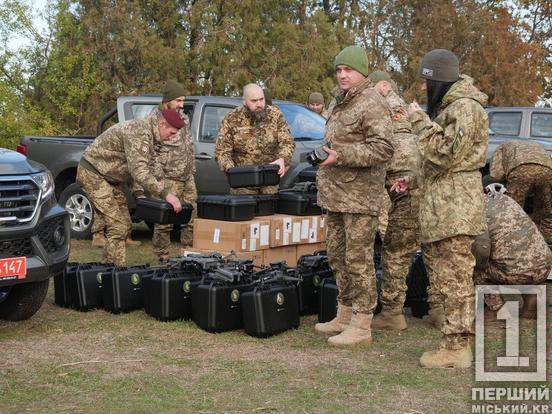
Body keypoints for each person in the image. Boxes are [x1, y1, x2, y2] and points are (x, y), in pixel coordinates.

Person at [407, 49, 489, 368]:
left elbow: (443, 154)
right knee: (445, 278)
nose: (426, 90)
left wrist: (418, 121)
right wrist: (411, 181)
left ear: (438, 80)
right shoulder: (452, 107)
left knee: (455, 279)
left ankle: (456, 348)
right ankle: (452, 342)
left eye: (428, 83)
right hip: (444, 208)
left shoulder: (465, 108)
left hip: (455, 209)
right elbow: (435, 163)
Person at [313, 45, 394, 346]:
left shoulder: (372, 102)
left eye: (348, 69)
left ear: (362, 72)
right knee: (337, 256)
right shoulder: (339, 102)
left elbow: (384, 148)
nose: (342, 74)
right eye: (338, 69)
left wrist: (341, 155)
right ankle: (344, 313)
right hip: (335, 195)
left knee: (358, 260)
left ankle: (362, 323)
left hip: (360, 198)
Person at [76, 109, 184, 266]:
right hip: (93, 174)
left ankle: (108, 267)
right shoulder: (139, 131)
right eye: (172, 132)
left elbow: (153, 167)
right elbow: (139, 171)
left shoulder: (150, 134)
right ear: (161, 124)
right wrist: (165, 194)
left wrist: (168, 191)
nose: (173, 137)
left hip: (110, 179)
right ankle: (113, 272)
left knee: (125, 225)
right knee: (117, 226)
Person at [367, 70, 421, 331]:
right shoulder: (410, 111)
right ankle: (438, 308)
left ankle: (392, 313)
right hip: (424, 183)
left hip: (404, 187)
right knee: (430, 251)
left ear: (385, 85)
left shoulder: (379, 107)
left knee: (395, 251)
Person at [134, 80, 197, 261]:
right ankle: (162, 257)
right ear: (167, 100)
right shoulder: (154, 121)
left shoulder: (182, 117)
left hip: (186, 177)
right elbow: (147, 154)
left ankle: (188, 253)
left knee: (191, 216)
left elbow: (188, 145)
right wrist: (157, 180)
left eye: (183, 100)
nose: (181, 105)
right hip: (166, 177)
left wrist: (191, 170)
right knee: (165, 221)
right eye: (178, 100)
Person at [473, 187, 552, 320]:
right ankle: (531, 297)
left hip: (517, 273)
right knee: (517, 257)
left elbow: (482, 249)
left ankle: (496, 309)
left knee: (472, 264)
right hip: (544, 266)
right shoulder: (505, 200)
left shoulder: (476, 210)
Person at [215, 83, 295, 195]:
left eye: (261, 99)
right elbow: (222, 151)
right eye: (254, 101)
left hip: (269, 181)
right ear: (244, 101)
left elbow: (287, 141)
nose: (259, 104)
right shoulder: (232, 119)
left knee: (270, 211)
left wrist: (283, 159)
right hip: (242, 183)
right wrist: (232, 171)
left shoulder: (276, 116)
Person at [489, 140, 552, 245]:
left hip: (520, 170)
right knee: (545, 210)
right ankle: (546, 240)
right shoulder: (537, 145)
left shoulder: (501, 147)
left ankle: (512, 239)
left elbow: (496, 174)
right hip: (547, 171)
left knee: (513, 208)